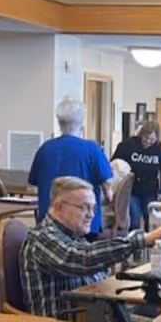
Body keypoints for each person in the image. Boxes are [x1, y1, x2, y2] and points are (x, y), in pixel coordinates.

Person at [20, 176, 161, 322]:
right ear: (59, 207)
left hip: (96, 319)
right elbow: (81, 259)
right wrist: (143, 240)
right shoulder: (42, 238)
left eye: (93, 208)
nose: (91, 215)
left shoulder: (74, 237)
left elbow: (99, 276)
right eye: (84, 208)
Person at [31, 98, 113, 234]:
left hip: (49, 224)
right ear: (82, 123)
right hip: (84, 226)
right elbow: (108, 190)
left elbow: (35, 185)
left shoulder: (45, 149)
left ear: (59, 123)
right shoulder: (92, 150)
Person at [112, 120, 161, 230]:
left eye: (152, 139)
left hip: (150, 190)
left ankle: (149, 241)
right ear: (141, 134)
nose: (148, 142)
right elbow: (115, 162)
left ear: (156, 138)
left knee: (149, 219)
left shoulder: (159, 148)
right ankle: (134, 243)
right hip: (132, 189)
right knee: (134, 219)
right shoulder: (129, 145)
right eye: (145, 138)